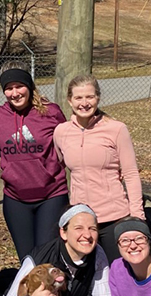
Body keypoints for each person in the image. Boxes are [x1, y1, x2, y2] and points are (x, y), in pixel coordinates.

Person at [54, 75, 144, 262]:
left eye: (90, 97)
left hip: (114, 217)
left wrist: (137, 217)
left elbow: (131, 174)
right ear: (70, 100)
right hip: (81, 219)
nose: (84, 103)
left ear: (98, 98)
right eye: (78, 98)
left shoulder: (116, 129)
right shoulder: (61, 132)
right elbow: (60, 166)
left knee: (118, 274)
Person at [0, 62, 67, 262]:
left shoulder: (51, 112)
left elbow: (70, 142)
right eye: (8, 88)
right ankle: (30, 294)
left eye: (19, 86)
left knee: (47, 258)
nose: (15, 93)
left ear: (29, 86)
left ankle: (54, 293)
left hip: (51, 195)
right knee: (27, 260)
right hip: (15, 199)